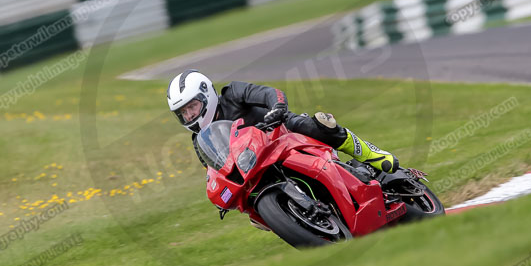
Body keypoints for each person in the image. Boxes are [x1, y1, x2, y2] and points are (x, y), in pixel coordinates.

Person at [166, 69, 399, 173]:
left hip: (280, 133)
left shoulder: (233, 94)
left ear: (205, 95)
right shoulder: (199, 141)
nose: (189, 116)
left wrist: (277, 108)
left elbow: (269, 93)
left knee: (315, 125)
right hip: (253, 165)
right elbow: (214, 170)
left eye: (192, 107)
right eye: (183, 113)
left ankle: (371, 154)